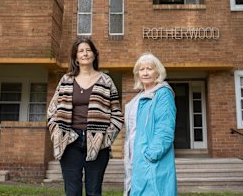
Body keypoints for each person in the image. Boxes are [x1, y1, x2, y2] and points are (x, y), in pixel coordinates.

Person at [47, 37, 124, 196]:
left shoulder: (106, 81)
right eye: (80, 51)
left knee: (94, 191)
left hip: (98, 144)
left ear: (94, 55)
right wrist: (57, 133)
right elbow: (51, 111)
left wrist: (104, 138)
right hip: (69, 142)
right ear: (75, 57)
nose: (85, 53)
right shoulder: (66, 80)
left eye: (88, 50)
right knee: (72, 191)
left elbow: (117, 115)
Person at [123, 53, 177, 196]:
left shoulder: (162, 94)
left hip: (150, 159)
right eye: (141, 69)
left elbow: (165, 129)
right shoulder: (138, 98)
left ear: (157, 72)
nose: (145, 73)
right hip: (135, 158)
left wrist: (150, 155)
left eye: (149, 69)